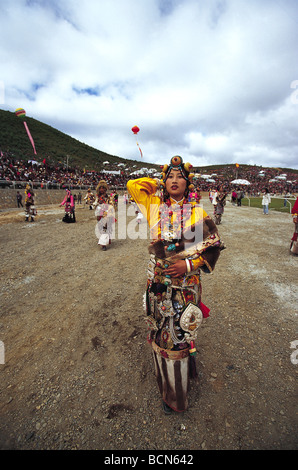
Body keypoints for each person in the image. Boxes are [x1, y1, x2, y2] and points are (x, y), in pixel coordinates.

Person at [127, 156, 223, 414]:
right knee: (160, 332)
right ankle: (166, 385)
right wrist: (158, 179)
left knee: (180, 335)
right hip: (159, 284)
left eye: (180, 177)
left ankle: (177, 396)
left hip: (186, 285)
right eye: (170, 176)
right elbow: (133, 185)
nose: (174, 180)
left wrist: (187, 266)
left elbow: (213, 248)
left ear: (188, 184)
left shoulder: (197, 212)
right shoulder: (154, 206)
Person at [94, 180, 115, 250]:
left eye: (103, 188)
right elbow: (95, 204)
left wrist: (108, 210)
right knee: (100, 228)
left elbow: (112, 205)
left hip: (106, 215)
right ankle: (105, 240)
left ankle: (103, 244)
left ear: (105, 189)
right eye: (100, 188)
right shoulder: (97, 197)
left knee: (105, 228)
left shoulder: (108, 197)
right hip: (99, 215)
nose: (101, 189)